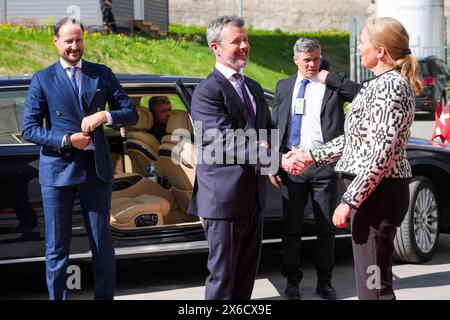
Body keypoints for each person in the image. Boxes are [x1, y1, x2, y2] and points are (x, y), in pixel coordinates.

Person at [288, 17, 422, 300]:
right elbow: (356, 140)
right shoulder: (379, 84)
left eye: (362, 42)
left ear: (381, 50)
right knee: (372, 284)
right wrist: (311, 155)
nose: (359, 48)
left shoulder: (390, 87)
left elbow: (380, 153)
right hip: (373, 194)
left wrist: (351, 200)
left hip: (377, 196)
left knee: (374, 289)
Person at [22, 17, 138, 300]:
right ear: (56, 42)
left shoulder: (101, 73)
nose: (75, 46)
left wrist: (105, 115)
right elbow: (29, 128)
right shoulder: (42, 78)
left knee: (102, 244)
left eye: (79, 40)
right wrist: (65, 140)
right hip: (58, 171)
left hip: (94, 172)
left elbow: (131, 112)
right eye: (69, 41)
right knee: (57, 248)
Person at [188, 15, 295, 300]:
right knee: (223, 279)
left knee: (246, 277)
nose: (244, 45)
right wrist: (272, 157)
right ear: (216, 48)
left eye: (245, 39)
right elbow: (222, 140)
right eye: (236, 41)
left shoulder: (254, 87)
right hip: (223, 200)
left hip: (254, 199)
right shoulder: (206, 92)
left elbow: (268, 132)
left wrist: (277, 158)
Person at [270, 37, 356, 300]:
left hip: (323, 165)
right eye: (307, 60)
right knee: (292, 229)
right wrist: (274, 164)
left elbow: (360, 93)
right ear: (296, 60)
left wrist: (331, 78)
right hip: (293, 166)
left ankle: (325, 282)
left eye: (316, 59)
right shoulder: (284, 86)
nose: (312, 64)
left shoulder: (331, 85)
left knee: (325, 228)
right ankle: (292, 282)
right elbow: (275, 126)